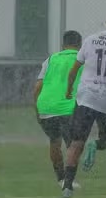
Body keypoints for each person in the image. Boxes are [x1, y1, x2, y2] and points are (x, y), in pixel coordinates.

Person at [60, 9, 106, 198]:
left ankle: (67, 187)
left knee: (75, 144)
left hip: (86, 98)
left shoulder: (90, 40)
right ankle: (94, 144)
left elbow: (74, 70)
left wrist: (69, 90)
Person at [34, 30, 83, 189]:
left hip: (46, 106)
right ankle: (68, 182)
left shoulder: (51, 59)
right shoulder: (82, 59)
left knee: (54, 142)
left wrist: (38, 110)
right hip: (67, 107)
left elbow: (37, 88)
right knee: (73, 145)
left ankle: (60, 179)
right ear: (80, 45)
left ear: (63, 45)